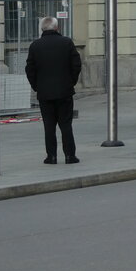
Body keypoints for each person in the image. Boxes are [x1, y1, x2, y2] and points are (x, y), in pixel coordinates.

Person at [25, 16, 82, 165]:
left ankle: (51, 156)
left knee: (49, 126)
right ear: (57, 28)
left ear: (42, 29)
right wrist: (71, 82)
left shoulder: (35, 46)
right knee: (66, 125)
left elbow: (29, 69)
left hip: (45, 93)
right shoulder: (67, 43)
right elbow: (76, 65)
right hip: (64, 91)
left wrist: (37, 86)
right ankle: (70, 156)